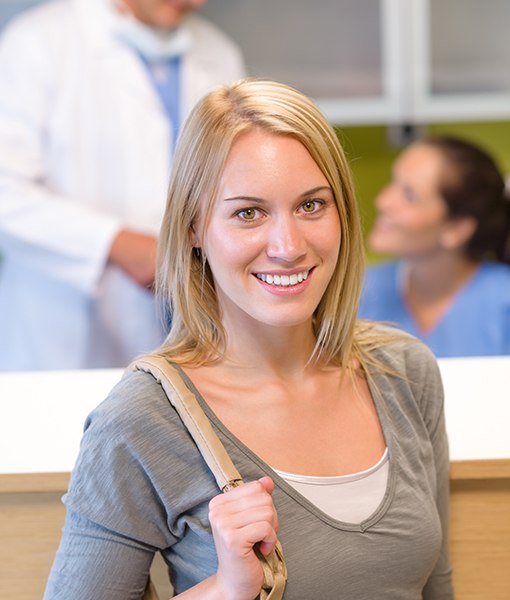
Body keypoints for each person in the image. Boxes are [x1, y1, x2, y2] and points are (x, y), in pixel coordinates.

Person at [43, 79, 454, 599]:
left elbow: (438, 587)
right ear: (194, 228)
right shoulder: (140, 421)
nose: (288, 246)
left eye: (311, 205)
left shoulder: (404, 371)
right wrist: (227, 589)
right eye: (248, 213)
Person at [0, 0, 245, 371]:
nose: (196, 3)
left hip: (186, 325)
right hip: (60, 335)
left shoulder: (218, 53)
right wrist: (120, 244)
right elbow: (7, 191)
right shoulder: (37, 44)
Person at [359, 135, 510, 358]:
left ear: (457, 229)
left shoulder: (502, 303)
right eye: (393, 182)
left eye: (409, 196)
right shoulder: (358, 292)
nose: (383, 201)